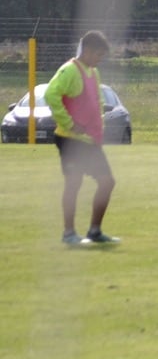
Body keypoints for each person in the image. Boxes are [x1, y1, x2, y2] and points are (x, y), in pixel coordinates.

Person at [47, 30, 118, 245]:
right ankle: (69, 233)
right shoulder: (69, 70)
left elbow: (95, 102)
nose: (99, 60)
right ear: (86, 51)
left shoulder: (92, 72)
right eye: (98, 55)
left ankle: (95, 231)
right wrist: (68, 123)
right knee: (74, 183)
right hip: (70, 139)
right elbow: (51, 94)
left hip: (89, 140)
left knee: (107, 182)